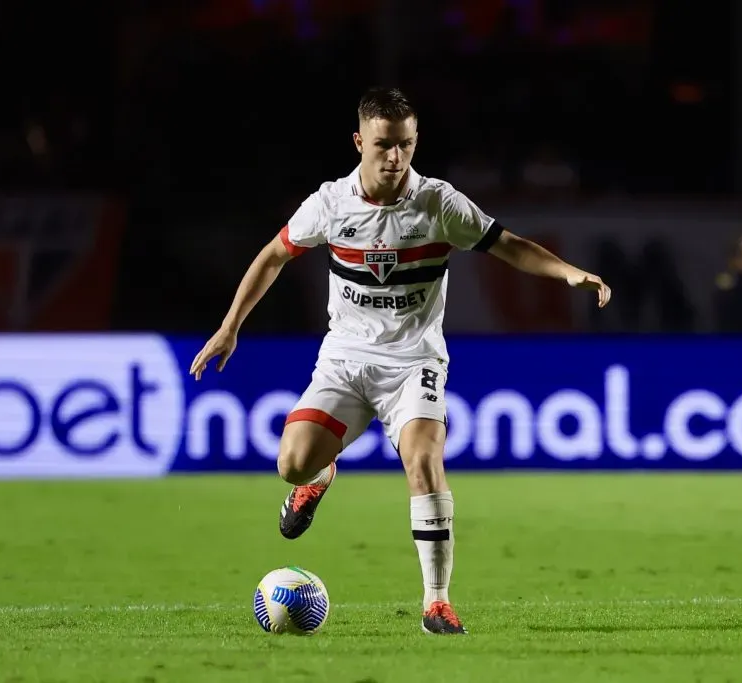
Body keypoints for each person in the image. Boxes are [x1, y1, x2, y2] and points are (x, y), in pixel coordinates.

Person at [188, 87, 611, 635]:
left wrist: (569, 272)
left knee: (424, 462)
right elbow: (274, 255)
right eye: (384, 146)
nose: (395, 158)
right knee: (291, 462)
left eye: (406, 146)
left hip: (414, 361)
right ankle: (316, 480)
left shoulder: (438, 204)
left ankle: (437, 602)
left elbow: (507, 244)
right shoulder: (330, 204)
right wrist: (229, 327)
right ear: (359, 141)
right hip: (345, 358)